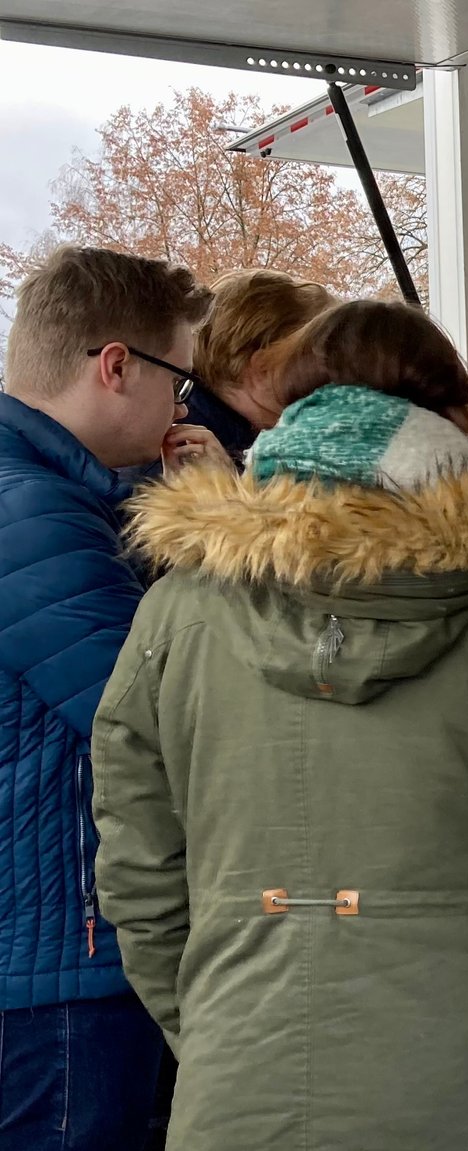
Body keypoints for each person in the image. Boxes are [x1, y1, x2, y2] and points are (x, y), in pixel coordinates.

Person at [89, 300, 468, 1150]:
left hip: (247, 1089)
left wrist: (217, 1028)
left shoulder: (176, 611)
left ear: (289, 413)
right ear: (450, 415)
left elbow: (138, 873)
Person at [0, 245, 215, 1150]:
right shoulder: (33, 515)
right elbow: (169, 718)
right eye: (180, 381)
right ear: (117, 365)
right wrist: (219, 526)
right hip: (64, 960)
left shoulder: (54, 497)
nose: (183, 408)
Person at [117, 268, 335, 483]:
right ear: (263, 370)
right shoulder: (182, 455)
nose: (332, 387)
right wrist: (229, 495)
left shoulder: (222, 435)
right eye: (319, 370)